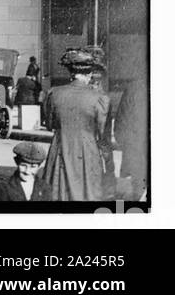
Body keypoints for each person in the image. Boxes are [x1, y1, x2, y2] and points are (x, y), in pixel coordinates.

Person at [36, 48, 111, 201]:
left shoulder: (53, 93)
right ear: (90, 74)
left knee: (57, 194)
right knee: (87, 194)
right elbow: (103, 134)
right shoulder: (100, 98)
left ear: (70, 73)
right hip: (87, 153)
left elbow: (50, 124)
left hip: (60, 151)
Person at [114, 75, 148, 202]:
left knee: (138, 189)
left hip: (137, 149)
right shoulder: (135, 87)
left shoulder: (134, 87)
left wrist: (126, 146)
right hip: (137, 148)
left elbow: (121, 122)